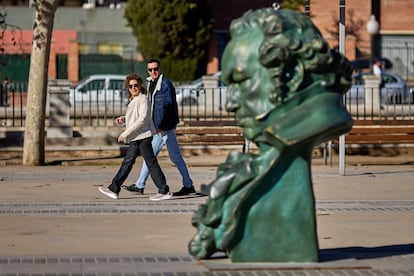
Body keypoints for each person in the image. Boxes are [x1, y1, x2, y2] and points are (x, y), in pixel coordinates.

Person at [122, 59, 196, 196]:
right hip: (157, 127)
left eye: (155, 69)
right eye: (150, 69)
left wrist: (162, 126)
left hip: (163, 128)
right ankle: (187, 184)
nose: (153, 72)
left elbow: (170, 108)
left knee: (153, 157)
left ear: (160, 68)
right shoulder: (150, 83)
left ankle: (141, 185)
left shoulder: (165, 84)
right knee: (164, 157)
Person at [98, 73, 172, 201]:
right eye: (130, 86)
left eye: (135, 85)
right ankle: (114, 189)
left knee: (150, 163)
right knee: (128, 162)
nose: (133, 88)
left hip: (142, 136)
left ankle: (163, 190)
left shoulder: (143, 99)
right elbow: (135, 118)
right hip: (136, 136)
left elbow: (142, 119)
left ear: (140, 85)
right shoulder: (134, 99)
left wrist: (125, 134)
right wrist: (124, 119)